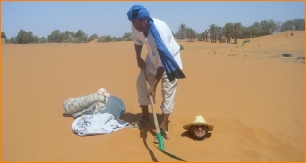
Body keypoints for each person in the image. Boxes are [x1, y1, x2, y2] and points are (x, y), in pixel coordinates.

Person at [126, 5, 186, 141]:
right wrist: (138, 57)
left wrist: (153, 85)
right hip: (152, 58)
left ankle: (164, 126)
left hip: (169, 61)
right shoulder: (135, 27)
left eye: (140, 21)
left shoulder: (160, 30)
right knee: (141, 83)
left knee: (168, 91)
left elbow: (162, 63)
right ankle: (146, 118)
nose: (138, 24)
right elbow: (137, 41)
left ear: (147, 19)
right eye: (134, 22)